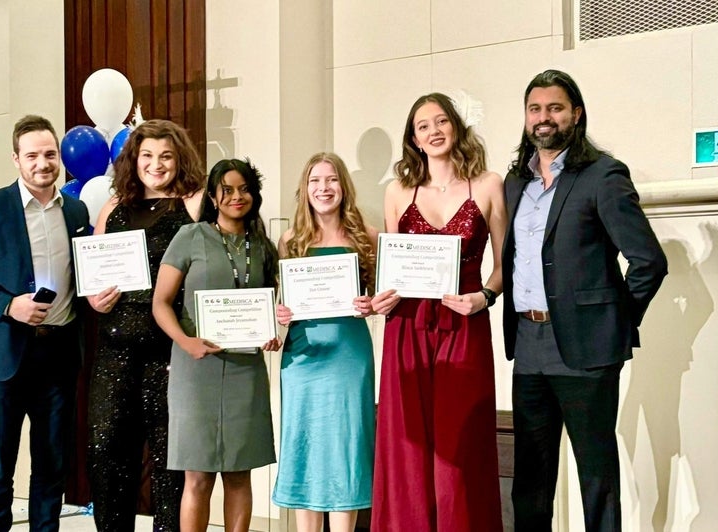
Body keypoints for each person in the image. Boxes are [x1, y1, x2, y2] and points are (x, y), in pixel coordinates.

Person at [502, 69, 668, 531]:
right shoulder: (516, 183)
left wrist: (612, 323)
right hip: (529, 347)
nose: (544, 118)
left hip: (586, 354)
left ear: (576, 113)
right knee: (530, 481)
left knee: (597, 477)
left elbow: (649, 261)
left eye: (554, 108)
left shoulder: (603, 175)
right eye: (535, 109)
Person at [0, 115, 90, 531]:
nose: (43, 163)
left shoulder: (76, 210)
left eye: (50, 154)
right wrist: (9, 305)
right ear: (16, 159)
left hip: (58, 356)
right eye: (32, 156)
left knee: (50, 470)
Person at [370, 92, 507, 531]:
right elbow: (393, 269)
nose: (434, 130)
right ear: (413, 137)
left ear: (457, 126)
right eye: (423, 125)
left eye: (441, 120)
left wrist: (484, 296)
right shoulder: (397, 191)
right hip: (406, 327)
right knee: (408, 446)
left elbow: (506, 264)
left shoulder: (488, 184)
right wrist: (384, 297)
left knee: (460, 445)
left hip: (464, 322)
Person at [86, 119, 206, 532]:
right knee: (107, 454)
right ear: (133, 160)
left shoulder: (193, 204)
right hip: (114, 348)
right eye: (148, 156)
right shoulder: (112, 207)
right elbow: (93, 278)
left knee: (170, 459)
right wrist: (94, 299)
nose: (156, 165)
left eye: (167, 156)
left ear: (180, 160)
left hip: (169, 351)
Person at [152, 158, 280, 532]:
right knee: (198, 475)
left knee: (240, 474)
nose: (236, 197)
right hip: (196, 369)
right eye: (227, 189)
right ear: (213, 196)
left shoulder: (263, 246)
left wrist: (272, 332)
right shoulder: (189, 237)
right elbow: (160, 302)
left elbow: (271, 305)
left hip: (246, 370)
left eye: (243, 189)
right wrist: (185, 341)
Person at [272, 153, 377, 532]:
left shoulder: (365, 234)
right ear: (305, 190)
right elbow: (284, 303)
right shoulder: (289, 241)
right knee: (305, 445)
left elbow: (383, 294)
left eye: (331, 180)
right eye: (315, 181)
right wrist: (281, 314)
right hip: (303, 358)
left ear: (343, 186)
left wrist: (371, 304)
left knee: (346, 446)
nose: (323, 188)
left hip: (349, 357)